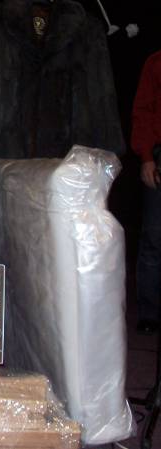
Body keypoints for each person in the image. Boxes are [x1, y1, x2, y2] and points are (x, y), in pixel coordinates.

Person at [132, 49, 161, 334]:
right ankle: (150, 313)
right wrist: (147, 158)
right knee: (154, 236)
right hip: (159, 156)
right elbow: (143, 110)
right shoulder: (156, 62)